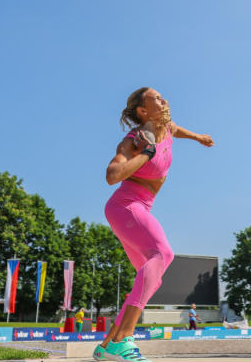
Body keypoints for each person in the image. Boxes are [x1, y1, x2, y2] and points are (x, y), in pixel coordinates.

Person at [93, 88, 214, 362]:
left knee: (151, 278)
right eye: (157, 99)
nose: (165, 100)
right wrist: (146, 154)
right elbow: (112, 175)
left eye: (163, 97)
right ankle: (123, 340)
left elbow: (177, 130)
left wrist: (198, 137)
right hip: (125, 206)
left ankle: (106, 346)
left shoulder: (167, 128)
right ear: (143, 111)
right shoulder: (134, 141)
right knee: (163, 254)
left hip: (141, 208)